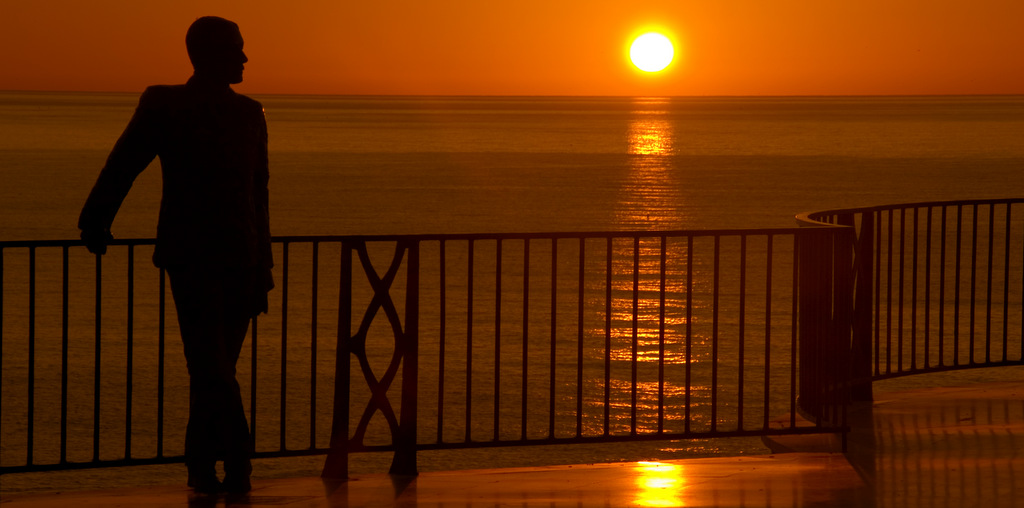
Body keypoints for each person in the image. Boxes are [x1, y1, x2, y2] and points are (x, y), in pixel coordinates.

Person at [78, 16, 273, 494]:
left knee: (212, 368)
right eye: (236, 49)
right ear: (208, 54)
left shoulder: (251, 113)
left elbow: (259, 194)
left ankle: (202, 469)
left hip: (242, 261)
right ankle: (239, 465)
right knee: (213, 367)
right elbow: (124, 163)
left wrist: (264, 268)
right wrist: (96, 219)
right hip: (193, 255)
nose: (245, 59)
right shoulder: (166, 104)